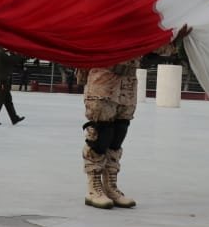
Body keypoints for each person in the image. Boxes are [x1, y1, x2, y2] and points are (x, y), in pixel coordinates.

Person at [80, 26, 190, 210]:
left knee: (118, 134)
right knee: (101, 134)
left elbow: (156, 47)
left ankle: (111, 186)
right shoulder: (107, 16)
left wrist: (175, 37)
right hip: (104, 76)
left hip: (129, 80)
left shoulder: (139, 21)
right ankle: (93, 187)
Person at [0, 47, 25, 125]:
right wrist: (18, 53)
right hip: (2, 81)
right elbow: (14, 60)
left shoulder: (1, 51)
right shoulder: (3, 52)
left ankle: (14, 118)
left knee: (8, 101)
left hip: (3, 80)